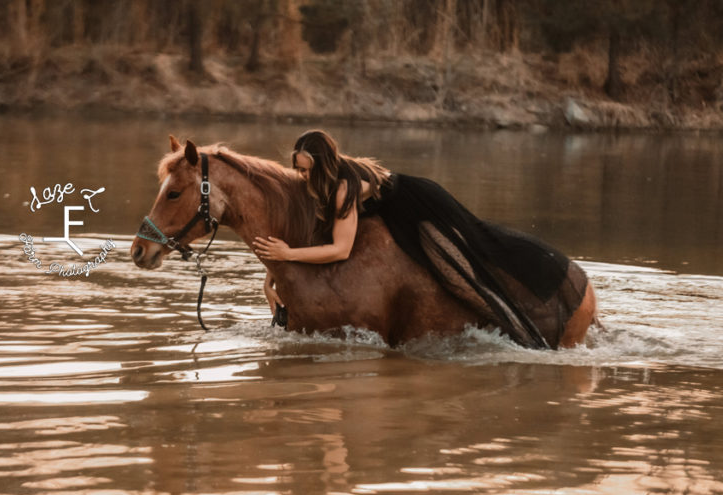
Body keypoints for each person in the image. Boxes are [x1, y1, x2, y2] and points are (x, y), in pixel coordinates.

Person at [252, 129, 589, 349]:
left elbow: (340, 250)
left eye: (307, 169)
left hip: (420, 206)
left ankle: (525, 330)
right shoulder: (321, 184)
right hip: (396, 212)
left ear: (326, 166)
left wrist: (289, 254)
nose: (301, 176)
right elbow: (313, 232)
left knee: (461, 268)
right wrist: (274, 271)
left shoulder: (342, 188)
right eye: (298, 169)